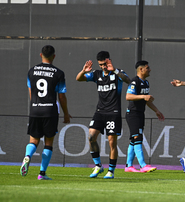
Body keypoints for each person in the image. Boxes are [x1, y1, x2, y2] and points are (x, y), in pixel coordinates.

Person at [76, 51, 130, 179]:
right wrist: (83, 71)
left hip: (113, 113)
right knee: (91, 137)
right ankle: (98, 166)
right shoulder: (96, 74)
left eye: (105, 64)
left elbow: (129, 80)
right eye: (101, 64)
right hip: (100, 112)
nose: (103, 67)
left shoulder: (118, 72)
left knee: (112, 142)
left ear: (109, 61)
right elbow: (78, 79)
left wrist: (115, 70)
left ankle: (111, 171)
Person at [20, 45, 71, 180]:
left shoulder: (31, 71)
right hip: (50, 111)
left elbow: (31, 93)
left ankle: (27, 156)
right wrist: (66, 113)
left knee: (33, 140)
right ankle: (42, 174)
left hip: (35, 109)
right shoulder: (58, 73)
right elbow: (61, 96)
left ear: (40, 55)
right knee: (48, 143)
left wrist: (36, 105)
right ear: (54, 56)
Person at [125, 60, 165, 173]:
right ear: (141, 69)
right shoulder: (134, 81)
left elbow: (146, 100)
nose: (150, 69)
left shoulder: (146, 83)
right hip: (133, 114)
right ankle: (143, 165)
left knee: (134, 140)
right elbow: (128, 96)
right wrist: (143, 96)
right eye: (148, 68)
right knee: (138, 138)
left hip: (140, 114)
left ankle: (128, 166)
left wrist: (156, 110)